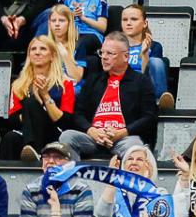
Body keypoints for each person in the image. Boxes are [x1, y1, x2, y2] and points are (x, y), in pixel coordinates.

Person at [60, 32, 158, 160]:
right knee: (67, 137)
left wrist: (122, 132)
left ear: (126, 56)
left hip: (124, 138)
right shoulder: (93, 80)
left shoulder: (141, 82)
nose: (104, 57)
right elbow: (78, 113)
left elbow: (149, 116)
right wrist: (91, 130)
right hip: (94, 137)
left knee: (135, 147)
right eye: (102, 52)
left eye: (110, 53)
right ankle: (73, 177)